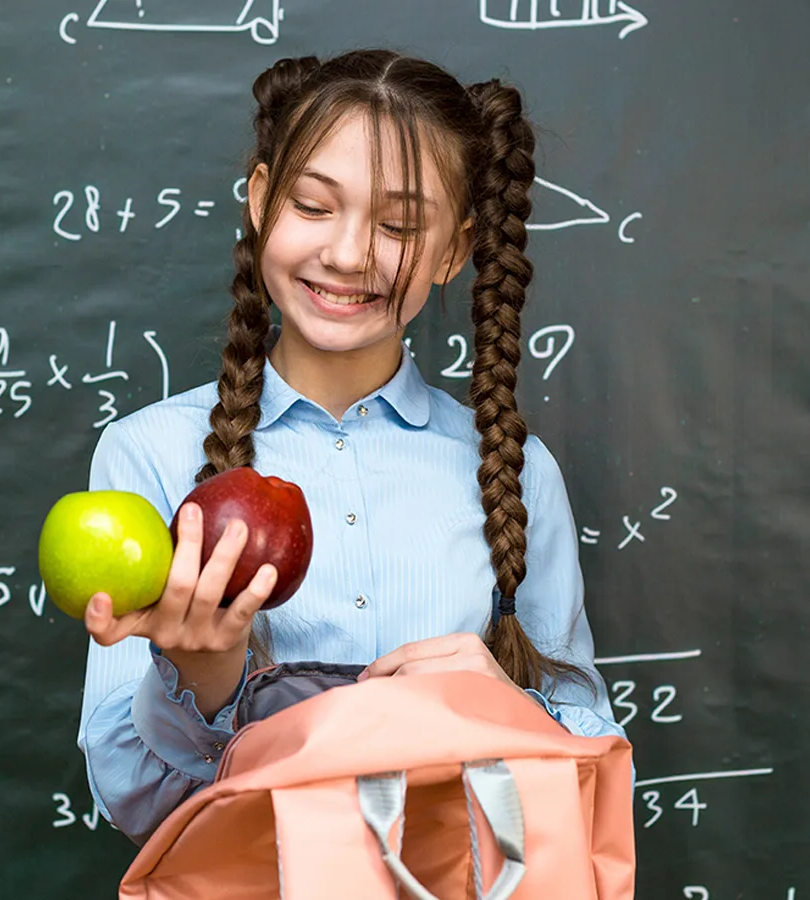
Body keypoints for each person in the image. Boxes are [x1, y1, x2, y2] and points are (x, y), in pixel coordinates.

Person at [77, 48, 630, 847]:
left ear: (454, 250)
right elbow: (130, 799)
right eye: (312, 205)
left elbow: (592, 770)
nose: (346, 254)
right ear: (261, 199)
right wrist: (202, 681)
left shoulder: (513, 473)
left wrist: (507, 708)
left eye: (399, 225)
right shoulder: (148, 455)